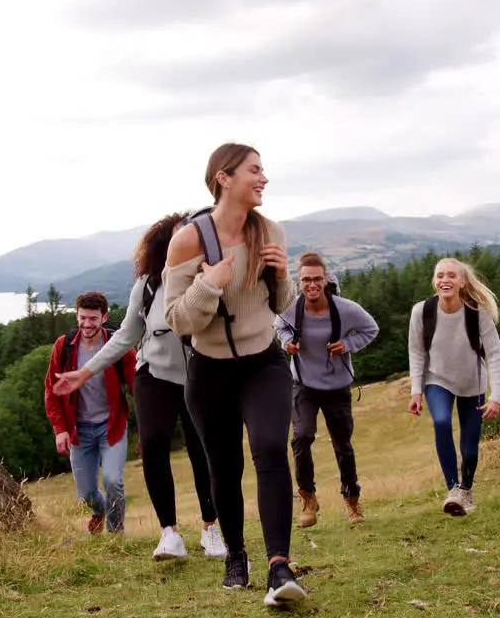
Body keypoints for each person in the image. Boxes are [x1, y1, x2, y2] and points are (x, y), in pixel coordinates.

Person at [162, 142, 307, 608]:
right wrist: (209, 284)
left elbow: (281, 303)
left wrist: (283, 277)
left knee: (269, 450)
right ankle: (236, 556)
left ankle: (279, 565)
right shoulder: (189, 240)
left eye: (263, 170)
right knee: (224, 469)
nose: (263, 178)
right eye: (254, 170)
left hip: (263, 364)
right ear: (223, 177)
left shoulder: (271, 232)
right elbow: (177, 321)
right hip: (209, 374)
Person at [52, 213, 227, 561]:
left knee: (201, 450)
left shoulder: (209, 277)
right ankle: (169, 534)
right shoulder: (146, 286)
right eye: (180, 238)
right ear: (165, 244)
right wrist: (85, 372)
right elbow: (125, 337)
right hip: (154, 375)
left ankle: (211, 528)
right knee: (154, 444)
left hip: (199, 376)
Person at [274, 251, 379, 527]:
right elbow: (280, 328)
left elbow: (371, 329)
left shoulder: (345, 309)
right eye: (306, 279)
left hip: (337, 387)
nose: (311, 285)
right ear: (300, 281)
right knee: (301, 437)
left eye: (317, 279)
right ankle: (308, 499)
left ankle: (352, 501)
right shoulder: (292, 308)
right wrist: (288, 343)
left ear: (325, 280)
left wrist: (348, 344)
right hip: (304, 385)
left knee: (343, 445)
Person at [406, 257, 500, 517]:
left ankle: (466, 489)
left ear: (462, 282)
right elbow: (416, 352)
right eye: (440, 275)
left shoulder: (477, 313)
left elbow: (494, 354)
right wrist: (416, 390)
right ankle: (453, 490)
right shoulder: (422, 311)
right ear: (434, 281)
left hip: (472, 383)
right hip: (437, 380)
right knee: (440, 421)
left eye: (451, 276)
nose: (445, 280)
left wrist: (496, 396)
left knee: (470, 447)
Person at [43, 291, 137, 534]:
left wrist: (149, 428)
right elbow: (51, 391)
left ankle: (116, 534)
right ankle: (99, 510)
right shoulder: (63, 346)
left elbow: (139, 386)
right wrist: (60, 429)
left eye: (93, 318)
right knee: (85, 493)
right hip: (79, 432)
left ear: (104, 318)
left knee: (113, 481)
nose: (87, 324)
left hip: (112, 427)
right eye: (82, 318)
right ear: (76, 316)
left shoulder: (119, 348)